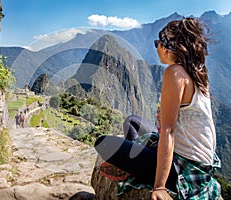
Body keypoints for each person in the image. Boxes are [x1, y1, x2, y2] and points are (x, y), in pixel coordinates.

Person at [94, 17, 221, 200]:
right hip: (198, 160)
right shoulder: (197, 71)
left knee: (103, 143)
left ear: (170, 47)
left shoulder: (175, 73)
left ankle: (145, 169)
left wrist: (159, 186)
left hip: (182, 168)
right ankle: (141, 161)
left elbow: (168, 131)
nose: (157, 47)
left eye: (158, 43)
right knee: (132, 121)